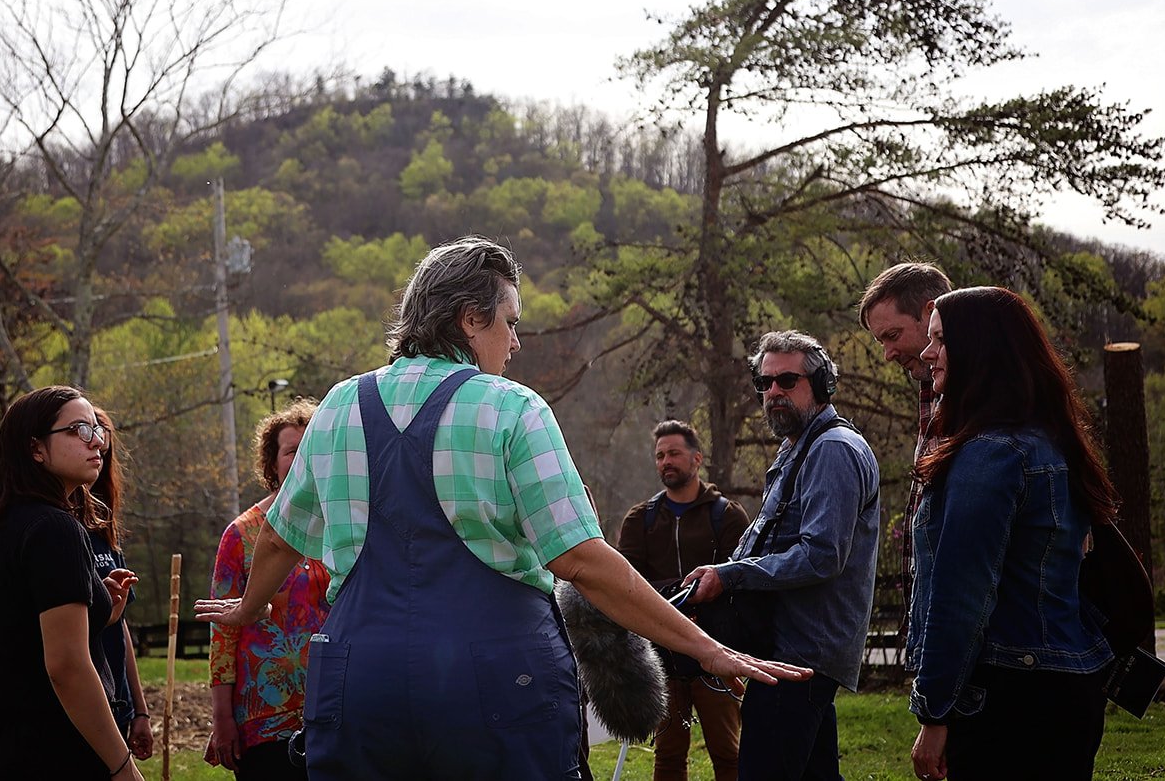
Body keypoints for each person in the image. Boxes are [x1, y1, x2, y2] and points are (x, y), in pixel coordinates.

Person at [195, 236, 810, 781]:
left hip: (360, 687)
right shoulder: (513, 408)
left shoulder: (335, 408)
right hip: (496, 689)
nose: (516, 340)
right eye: (510, 322)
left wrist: (247, 608)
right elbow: (584, 562)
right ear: (470, 318)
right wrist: (704, 646)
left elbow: (278, 539)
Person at [907, 287, 1119, 781]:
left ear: (978, 350)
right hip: (1068, 684)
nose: (926, 353)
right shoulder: (1049, 441)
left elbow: (961, 596)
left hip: (1012, 698)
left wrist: (935, 712)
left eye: (940, 340)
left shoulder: (991, 454)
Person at [686, 330, 881, 781]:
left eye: (786, 381)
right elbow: (766, 539)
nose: (772, 392)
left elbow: (821, 555)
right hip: (788, 654)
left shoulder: (832, 449)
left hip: (799, 656)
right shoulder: (799, 447)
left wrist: (731, 575)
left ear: (822, 385)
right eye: (764, 383)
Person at [0, 386, 144, 781]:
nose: (97, 442)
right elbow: (66, 665)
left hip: (3, 748)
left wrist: (102, 612)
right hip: (57, 751)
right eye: (79, 430)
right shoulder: (54, 528)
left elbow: (22, 636)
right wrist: (122, 766)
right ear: (35, 449)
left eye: (97, 429)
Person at [616, 420, 749, 781]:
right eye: (659, 456)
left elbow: (735, 582)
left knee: (729, 754)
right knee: (669, 755)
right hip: (661, 657)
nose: (665, 461)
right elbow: (628, 585)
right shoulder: (639, 520)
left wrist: (676, 596)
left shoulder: (727, 516)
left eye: (674, 453)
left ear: (696, 459)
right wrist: (681, 594)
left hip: (715, 656)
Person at [205, 398, 330, 779]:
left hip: (331, 710)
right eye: (292, 450)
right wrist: (223, 718)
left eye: (312, 448)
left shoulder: (342, 526)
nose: (303, 458)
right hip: (264, 716)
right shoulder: (241, 535)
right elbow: (223, 633)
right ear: (271, 464)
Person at [859, 262, 953, 636]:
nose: (888, 354)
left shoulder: (985, 402)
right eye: (881, 341)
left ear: (931, 313)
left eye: (893, 335)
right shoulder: (932, 390)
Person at [87, 408, 153, 762]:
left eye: (104, 452)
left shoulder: (104, 532)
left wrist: (139, 710)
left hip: (118, 704)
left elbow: (120, 624)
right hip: (85, 703)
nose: (96, 459)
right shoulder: (54, 531)